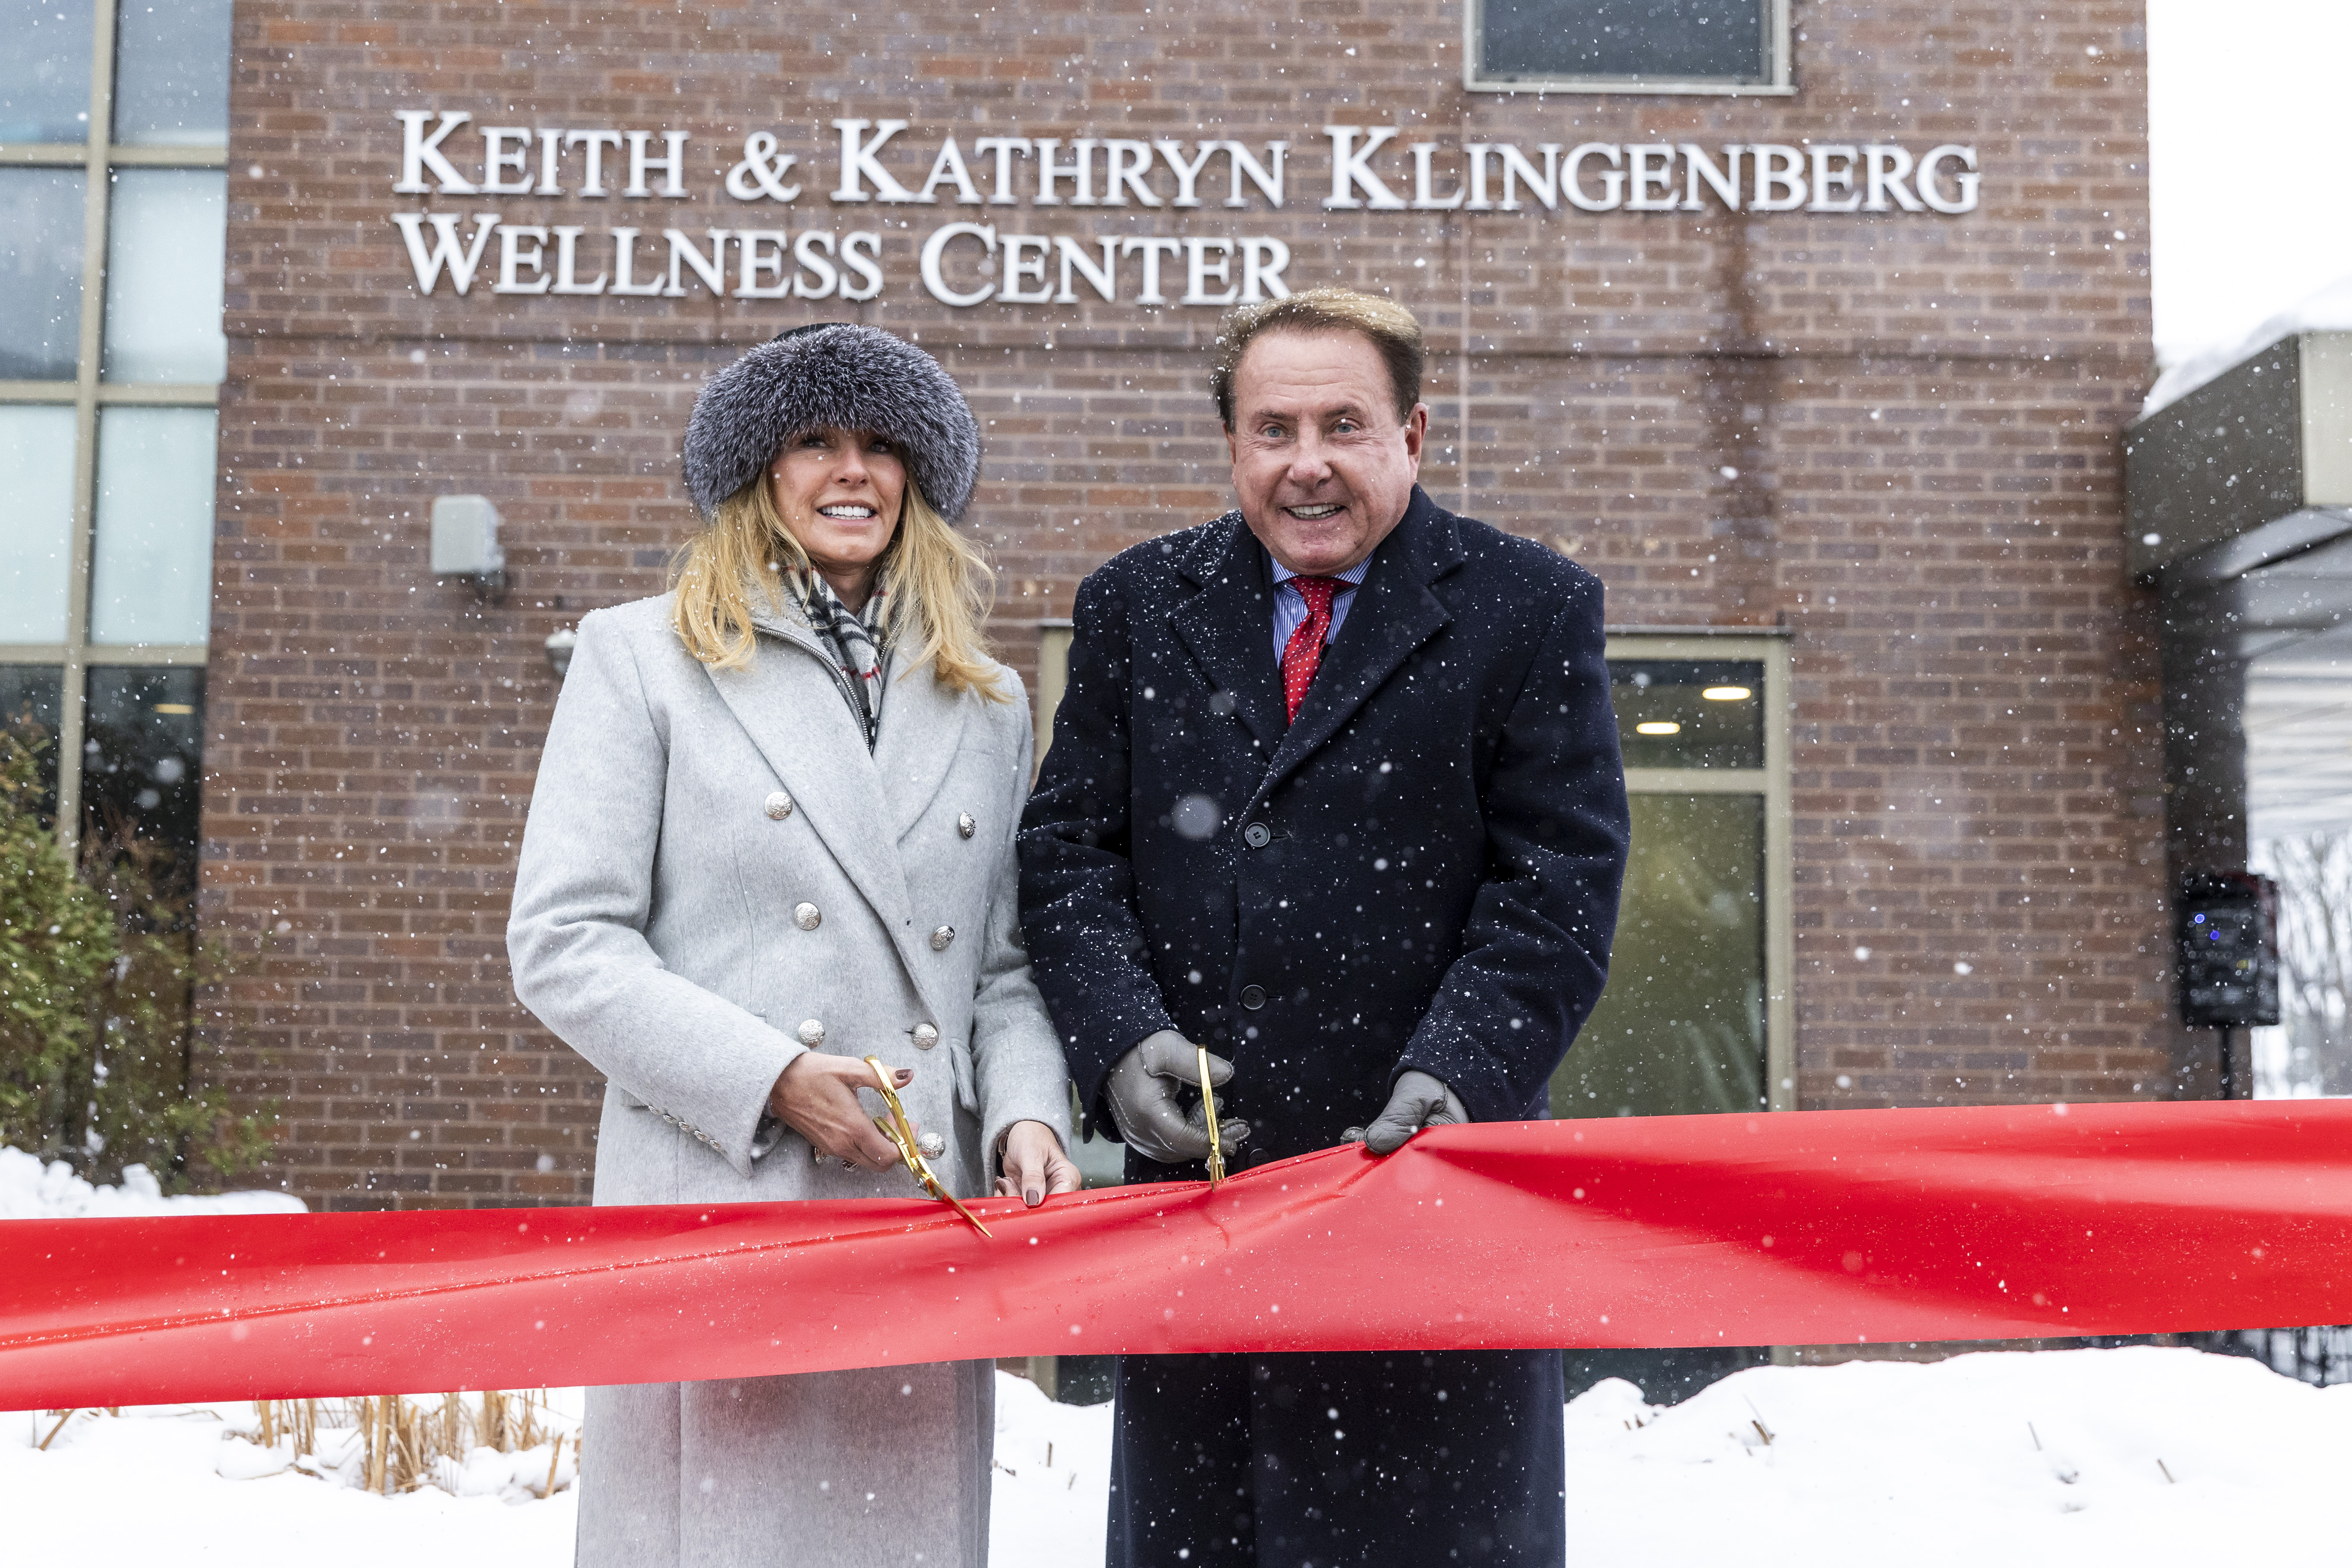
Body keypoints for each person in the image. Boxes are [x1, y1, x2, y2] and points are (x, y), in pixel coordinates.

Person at [1018, 288, 1629, 1566]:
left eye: (1342, 425)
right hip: (1206, 1198)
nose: (1307, 462)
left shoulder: (1531, 608)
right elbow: (1071, 856)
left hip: (1432, 1198)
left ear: (1413, 434)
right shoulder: (1134, 607)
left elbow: (1557, 887)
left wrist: (1459, 1071)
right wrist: (1119, 1040)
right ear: (1233, 447)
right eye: (1273, 427)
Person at [508, 322, 1080, 1568]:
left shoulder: (984, 697)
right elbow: (565, 941)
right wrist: (771, 1077)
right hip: (727, 1198)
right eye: (815, 441)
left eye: (882, 445)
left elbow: (1000, 967)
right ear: (759, 472)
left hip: (919, 1197)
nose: (853, 472)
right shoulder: (644, 656)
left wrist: (1031, 1112)